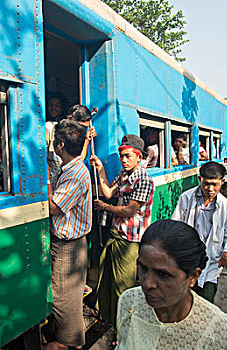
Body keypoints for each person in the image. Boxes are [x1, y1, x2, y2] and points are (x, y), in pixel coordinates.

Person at [115, 220, 227, 349]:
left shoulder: (225, 336)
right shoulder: (129, 302)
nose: (147, 283)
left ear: (193, 277)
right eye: (143, 268)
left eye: (163, 274)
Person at [90, 134, 154, 326]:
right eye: (122, 156)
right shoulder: (123, 175)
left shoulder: (143, 179)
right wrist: (101, 170)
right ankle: (110, 316)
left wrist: (105, 206)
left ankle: (125, 327)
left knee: (122, 285)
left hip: (130, 240)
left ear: (139, 157)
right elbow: (109, 192)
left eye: (128, 156)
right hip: (117, 232)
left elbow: (129, 211)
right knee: (108, 277)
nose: (124, 160)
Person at [44, 119, 92, 350]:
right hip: (66, 244)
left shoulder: (75, 174)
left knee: (64, 302)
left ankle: (70, 344)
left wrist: (43, 173)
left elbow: (54, 207)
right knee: (66, 299)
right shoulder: (70, 168)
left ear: (60, 145)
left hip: (68, 247)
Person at [171, 162, 227, 303]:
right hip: (188, 259)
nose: (210, 189)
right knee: (183, 301)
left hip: (212, 263)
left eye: (215, 184)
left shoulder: (226, 205)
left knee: (206, 301)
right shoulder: (186, 198)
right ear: (199, 180)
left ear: (222, 182)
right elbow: (176, 226)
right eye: (206, 184)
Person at [46, 104, 95, 180]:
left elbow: (77, 161)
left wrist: (87, 140)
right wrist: (48, 183)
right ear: (70, 119)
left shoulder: (77, 137)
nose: (82, 131)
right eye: (81, 127)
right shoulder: (50, 128)